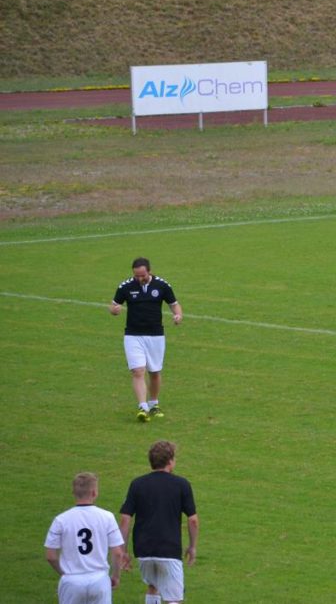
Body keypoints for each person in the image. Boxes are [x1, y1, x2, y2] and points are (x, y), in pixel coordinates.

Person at [119, 440, 199, 604]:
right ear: (170, 461)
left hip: (143, 550)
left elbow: (125, 518)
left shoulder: (137, 484)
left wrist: (123, 550)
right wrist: (192, 546)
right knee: (174, 598)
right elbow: (193, 521)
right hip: (169, 549)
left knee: (153, 586)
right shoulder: (181, 484)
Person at [110, 257, 183, 423]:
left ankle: (154, 403)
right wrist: (114, 310)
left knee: (154, 372)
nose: (139, 279)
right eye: (136, 275)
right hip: (133, 336)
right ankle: (142, 407)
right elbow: (113, 305)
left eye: (142, 275)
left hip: (156, 335)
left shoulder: (162, 285)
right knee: (138, 371)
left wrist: (178, 315)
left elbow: (174, 304)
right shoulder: (126, 286)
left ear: (149, 271)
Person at [45, 472, 127, 604]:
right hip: (99, 580)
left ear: (74, 493)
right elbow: (117, 553)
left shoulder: (60, 520)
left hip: (72, 582)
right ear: (94, 493)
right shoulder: (107, 517)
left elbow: (51, 556)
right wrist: (116, 576)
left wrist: (65, 573)